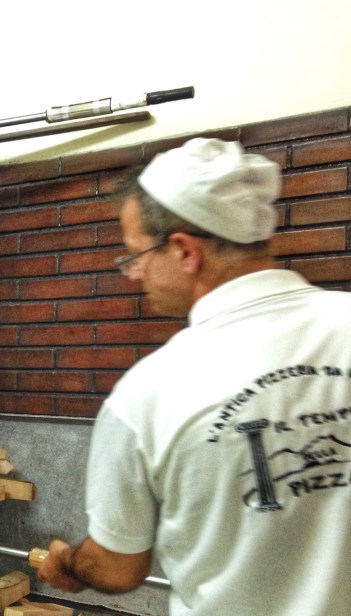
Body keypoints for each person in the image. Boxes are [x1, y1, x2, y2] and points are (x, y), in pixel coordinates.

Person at [36, 138, 351, 615]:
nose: (133, 274)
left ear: (184, 251)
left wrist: (69, 562)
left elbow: (118, 569)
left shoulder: (148, 394)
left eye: (135, 256)